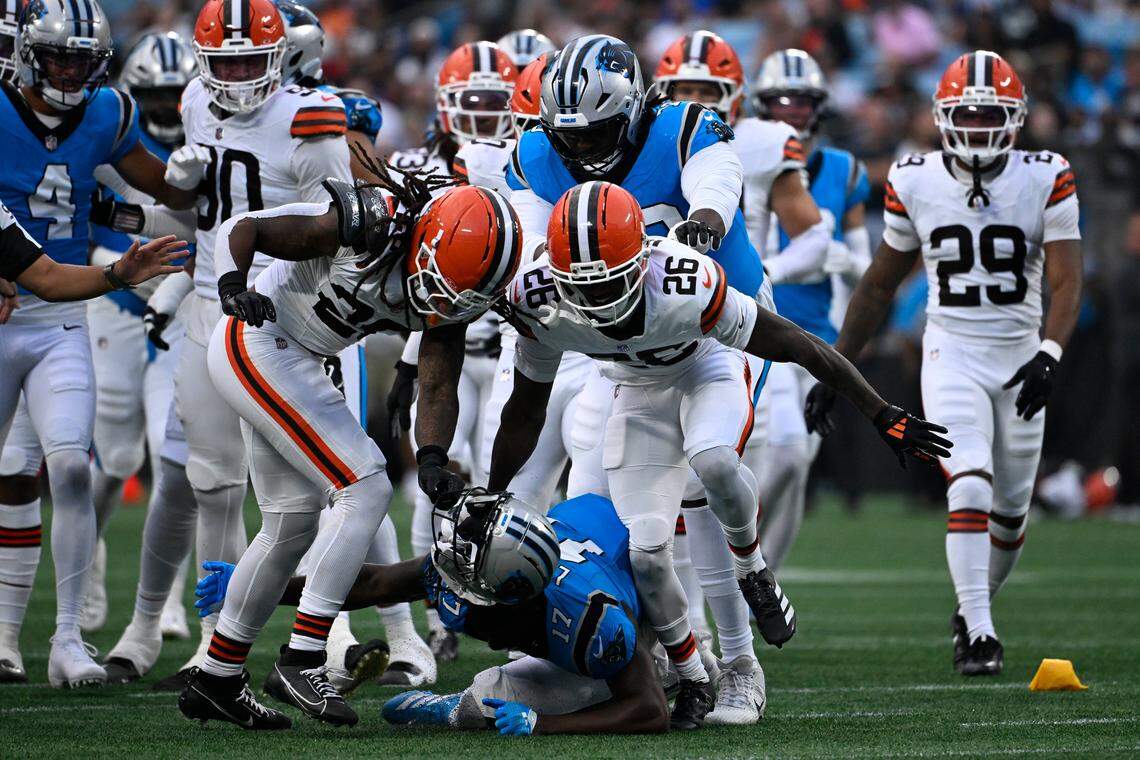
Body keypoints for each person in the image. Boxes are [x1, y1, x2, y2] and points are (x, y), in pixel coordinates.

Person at [486, 182, 951, 727]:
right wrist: (493, 493)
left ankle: (752, 568)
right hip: (635, 390)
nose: (599, 302)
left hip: (706, 366)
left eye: (611, 283)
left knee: (713, 460)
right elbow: (522, 412)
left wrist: (880, 413)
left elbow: (798, 344)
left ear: (640, 258)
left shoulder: (683, 281)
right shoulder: (537, 302)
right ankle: (693, 676)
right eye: (582, 289)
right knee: (646, 554)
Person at [176, 162, 522, 728]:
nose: (445, 298)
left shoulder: (459, 287)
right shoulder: (370, 220)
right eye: (445, 279)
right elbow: (246, 227)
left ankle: (217, 677)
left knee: (290, 525)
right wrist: (233, 285)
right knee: (365, 486)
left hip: (300, 356)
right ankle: (305, 656)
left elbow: (437, 380)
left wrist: (432, 455)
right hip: (260, 339)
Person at [96, 0, 360, 692]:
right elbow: (200, 213)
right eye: (225, 62)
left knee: (323, 488)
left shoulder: (312, 120)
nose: (238, 75)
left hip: (289, 315)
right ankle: (215, 645)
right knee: (211, 484)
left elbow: (338, 225)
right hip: (210, 308)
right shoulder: (192, 100)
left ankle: (332, 635)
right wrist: (148, 208)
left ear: (279, 59)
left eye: (250, 60)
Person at [804, 51, 1083, 677]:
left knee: (1011, 515)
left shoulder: (1046, 173)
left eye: (992, 115)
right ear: (942, 118)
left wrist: (1050, 351)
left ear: (1015, 119)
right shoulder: (915, 178)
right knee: (972, 480)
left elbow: (1067, 279)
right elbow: (879, 287)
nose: (981, 127)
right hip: (950, 352)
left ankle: (973, 608)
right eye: (969, 115)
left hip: (1019, 354)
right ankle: (979, 633)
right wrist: (835, 366)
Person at [0, 0, 196, 687]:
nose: (68, 71)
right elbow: (44, 274)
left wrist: (223, 176)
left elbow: (164, 182)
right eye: (57, 56)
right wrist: (121, 267)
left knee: (71, 468)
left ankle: (65, 640)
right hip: (31, 298)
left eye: (82, 60)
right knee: (11, 473)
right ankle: (6, 636)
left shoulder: (108, 113)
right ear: (28, 54)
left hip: (58, 320)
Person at [651, 32, 828, 723]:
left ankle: (743, 609)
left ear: (735, 98)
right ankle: (677, 639)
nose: (695, 105)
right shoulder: (639, 141)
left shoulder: (755, 141)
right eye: (683, 92)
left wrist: (763, 279)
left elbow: (803, 226)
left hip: (737, 317)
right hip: (647, 330)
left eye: (708, 92)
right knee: (632, 502)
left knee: (738, 466)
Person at [194, 489, 671, 736]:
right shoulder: (487, 566)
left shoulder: (589, 619)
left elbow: (648, 711)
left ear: (505, 591)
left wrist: (543, 725)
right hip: (593, 539)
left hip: (640, 607)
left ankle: (706, 670)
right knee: (505, 686)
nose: (449, 560)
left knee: (491, 693)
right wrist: (254, 587)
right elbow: (371, 583)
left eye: (466, 563)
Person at [385, 39, 517, 675]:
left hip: (511, 348)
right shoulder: (414, 165)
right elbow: (422, 278)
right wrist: (409, 362)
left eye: (498, 103)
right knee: (435, 481)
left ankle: (502, 608)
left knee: (502, 487)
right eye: (475, 103)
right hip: (447, 346)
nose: (488, 116)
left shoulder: (523, 160)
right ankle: (438, 621)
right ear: (446, 105)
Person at [77, 31, 199, 639]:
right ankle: (86, 577)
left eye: (175, 96)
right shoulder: (109, 136)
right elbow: (84, 214)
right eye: (154, 96)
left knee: (174, 460)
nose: (165, 108)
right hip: (120, 305)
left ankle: (167, 603)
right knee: (116, 457)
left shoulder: (210, 130)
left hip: (180, 312)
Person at [745, 48, 872, 571]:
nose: (792, 109)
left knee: (796, 465)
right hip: (756, 331)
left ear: (818, 107)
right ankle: (742, 566)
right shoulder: (743, 155)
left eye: (802, 100)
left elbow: (866, 268)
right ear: (761, 104)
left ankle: (761, 576)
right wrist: (795, 261)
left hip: (816, 335)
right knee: (772, 457)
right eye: (781, 99)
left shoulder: (842, 171)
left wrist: (838, 256)